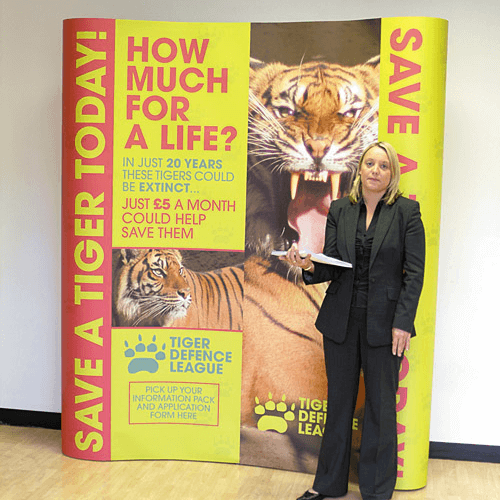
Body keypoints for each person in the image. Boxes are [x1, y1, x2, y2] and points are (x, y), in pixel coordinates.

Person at [281, 141, 425, 500]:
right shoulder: (341, 209)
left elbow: (415, 274)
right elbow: (332, 263)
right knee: (340, 403)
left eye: (383, 166)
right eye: (369, 164)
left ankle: (376, 491)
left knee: (380, 406)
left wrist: (403, 323)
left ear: (392, 174)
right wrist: (307, 265)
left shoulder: (407, 212)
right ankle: (327, 484)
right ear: (359, 169)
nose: (375, 170)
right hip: (340, 321)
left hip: (386, 324)